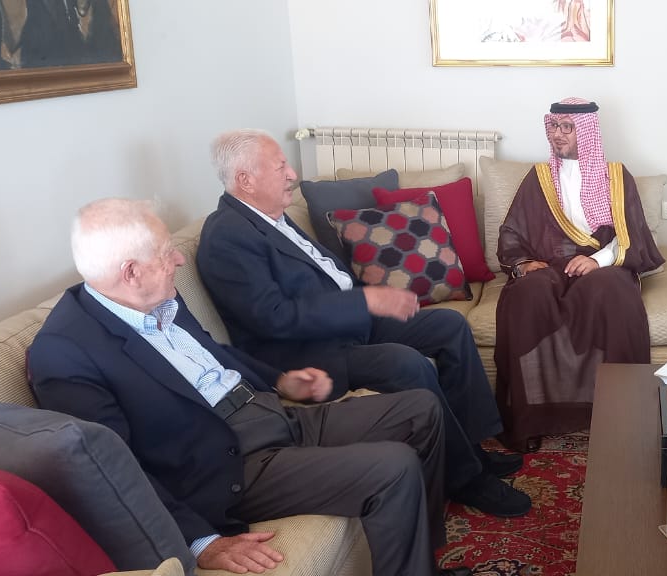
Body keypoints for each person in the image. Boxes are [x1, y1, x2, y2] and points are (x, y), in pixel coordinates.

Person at [28, 198, 467, 576]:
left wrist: (283, 382)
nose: (178, 260)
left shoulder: (155, 296)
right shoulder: (65, 352)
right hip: (229, 465)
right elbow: (111, 469)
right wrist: (200, 541)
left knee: (420, 409)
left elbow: (213, 353)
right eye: (166, 253)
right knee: (393, 466)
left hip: (271, 413)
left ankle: (422, 559)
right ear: (131, 272)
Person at [196, 130, 530, 518]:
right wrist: (365, 300)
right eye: (280, 166)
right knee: (407, 363)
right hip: (308, 352)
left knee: (449, 326)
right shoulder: (227, 236)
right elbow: (274, 317)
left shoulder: (270, 216)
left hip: (347, 324)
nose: (292, 174)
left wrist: (367, 301)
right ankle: (465, 478)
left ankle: (471, 448)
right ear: (246, 180)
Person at [495, 97, 664, 451]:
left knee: (608, 291)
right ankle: (530, 419)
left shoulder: (616, 176)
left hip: (602, 264)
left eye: (567, 127)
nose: (557, 134)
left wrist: (598, 260)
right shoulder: (539, 177)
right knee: (527, 294)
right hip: (549, 264)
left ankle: (616, 413)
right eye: (553, 126)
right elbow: (512, 230)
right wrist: (523, 264)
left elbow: (631, 234)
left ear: (587, 132)